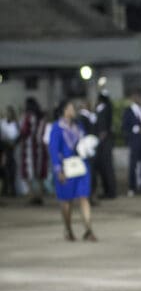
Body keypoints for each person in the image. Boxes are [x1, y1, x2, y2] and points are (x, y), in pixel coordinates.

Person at [49, 99, 97, 241]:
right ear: (64, 110)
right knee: (66, 201)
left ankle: (88, 230)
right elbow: (53, 150)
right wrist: (58, 170)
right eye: (71, 108)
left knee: (84, 197)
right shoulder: (57, 128)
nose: (73, 110)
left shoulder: (79, 125)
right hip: (66, 168)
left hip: (81, 166)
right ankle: (68, 229)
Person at [121, 89, 141, 195]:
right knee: (133, 165)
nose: (139, 99)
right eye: (137, 96)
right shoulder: (128, 111)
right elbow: (124, 127)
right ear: (133, 98)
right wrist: (137, 129)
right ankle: (132, 187)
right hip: (134, 141)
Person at [92, 82, 118, 199]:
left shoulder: (103, 108)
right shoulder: (107, 107)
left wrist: (99, 140)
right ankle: (109, 190)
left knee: (106, 167)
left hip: (104, 142)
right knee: (105, 167)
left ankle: (110, 191)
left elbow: (102, 128)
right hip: (106, 141)